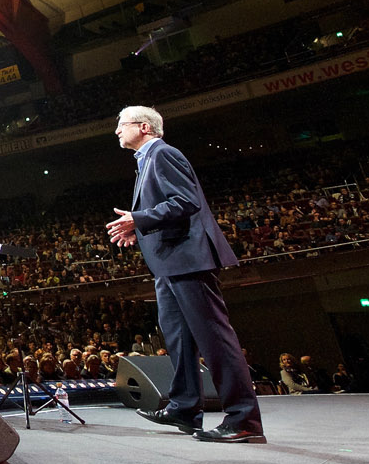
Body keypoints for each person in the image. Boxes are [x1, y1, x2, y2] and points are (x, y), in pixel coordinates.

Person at [107, 105, 265, 443]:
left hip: (187, 260)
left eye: (122, 125)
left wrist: (140, 219)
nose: (117, 131)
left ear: (144, 127)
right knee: (179, 339)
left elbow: (186, 201)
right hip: (168, 263)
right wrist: (141, 226)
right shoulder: (146, 161)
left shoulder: (163, 154)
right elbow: (167, 208)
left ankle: (243, 421)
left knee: (215, 339)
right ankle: (183, 406)